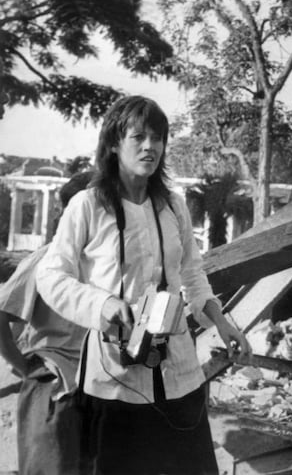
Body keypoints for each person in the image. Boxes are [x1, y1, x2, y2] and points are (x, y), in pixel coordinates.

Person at [36, 95, 251, 474]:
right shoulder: (88, 206)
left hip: (178, 374)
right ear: (115, 144)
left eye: (158, 138)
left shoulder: (173, 205)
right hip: (114, 379)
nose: (150, 147)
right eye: (138, 137)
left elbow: (192, 272)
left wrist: (221, 321)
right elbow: (51, 275)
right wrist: (101, 305)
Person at [0, 170, 93, 474]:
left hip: (97, 389)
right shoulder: (45, 261)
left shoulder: (106, 268)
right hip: (52, 389)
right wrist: (26, 366)